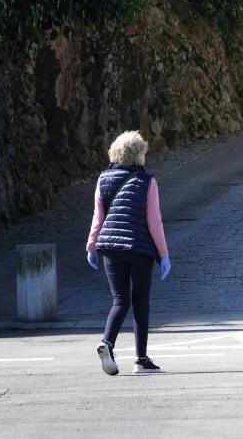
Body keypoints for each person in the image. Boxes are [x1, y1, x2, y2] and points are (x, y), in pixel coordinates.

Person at [86, 131, 171, 375]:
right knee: (140, 301)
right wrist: (163, 255)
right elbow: (154, 222)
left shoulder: (103, 179)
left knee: (119, 300)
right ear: (138, 154)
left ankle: (107, 344)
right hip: (140, 248)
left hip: (110, 248)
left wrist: (91, 247)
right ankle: (141, 359)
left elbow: (98, 218)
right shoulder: (147, 181)